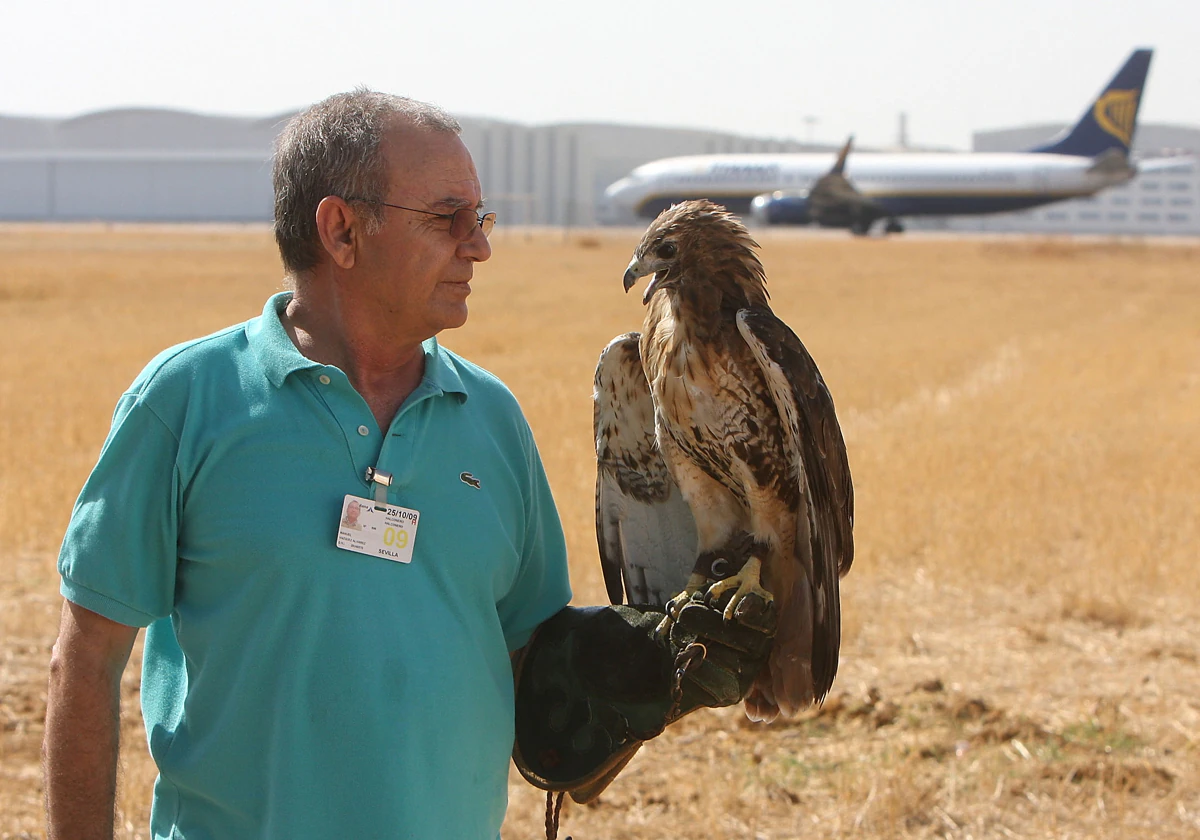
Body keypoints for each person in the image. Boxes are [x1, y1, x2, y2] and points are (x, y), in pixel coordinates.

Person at [44, 90, 574, 839]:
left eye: (480, 219)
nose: (478, 245)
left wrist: (650, 682)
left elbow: (544, 681)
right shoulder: (189, 400)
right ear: (342, 229)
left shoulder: (494, 421)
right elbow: (86, 664)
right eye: (446, 217)